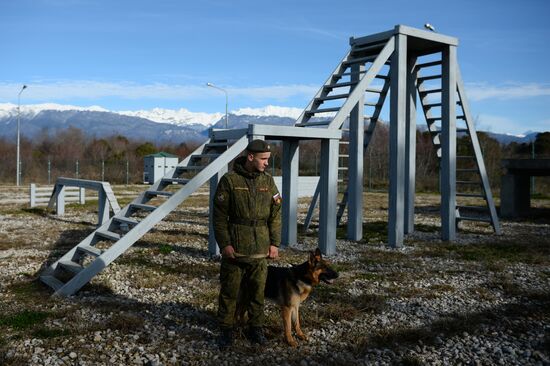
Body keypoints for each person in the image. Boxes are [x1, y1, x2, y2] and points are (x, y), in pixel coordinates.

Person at [213, 139, 282, 349]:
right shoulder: (229, 181)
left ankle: (256, 329)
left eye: (268, 159)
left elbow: (275, 215)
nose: (266, 163)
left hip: (260, 250)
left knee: (257, 293)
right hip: (235, 249)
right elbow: (219, 217)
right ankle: (226, 330)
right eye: (263, 159)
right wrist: (225, 244)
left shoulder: (268, 182)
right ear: (250, 157)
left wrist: (274, 244)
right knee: (229, 292)